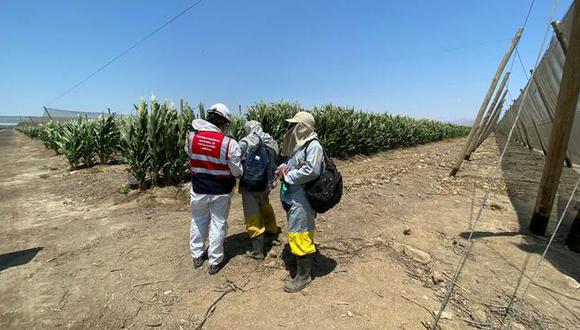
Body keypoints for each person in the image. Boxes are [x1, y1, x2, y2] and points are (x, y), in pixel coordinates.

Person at [184, 103, 243, 275]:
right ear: (224, 123)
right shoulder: (229, 143)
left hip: (199, 187)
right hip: (221, 190)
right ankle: (215, 261)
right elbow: (236, 170)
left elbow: (191, 155)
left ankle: (197, 255)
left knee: (198, 220)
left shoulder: (191, 137)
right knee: (218, 223)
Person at [277, 111, 324, 293]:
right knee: (297, 232)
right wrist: (282, 168)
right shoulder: (301, 146)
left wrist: (287, 176)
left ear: (303, 128)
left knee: (300, 234)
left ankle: (303, 276)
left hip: (302, 200)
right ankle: (299, 261)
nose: (291, 129)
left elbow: (311, 170)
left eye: (294, 126)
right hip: (293, 198)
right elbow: (290, 163)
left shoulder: (314, 146)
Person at [238, 121, 279, 260]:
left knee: (252, 212)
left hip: (250, 184)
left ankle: (258, 250)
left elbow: (235, 158)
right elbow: (274, 158)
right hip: (266, 183)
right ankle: (272, 231)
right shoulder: (271, 140)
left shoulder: (245, 141)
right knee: (265, 204)